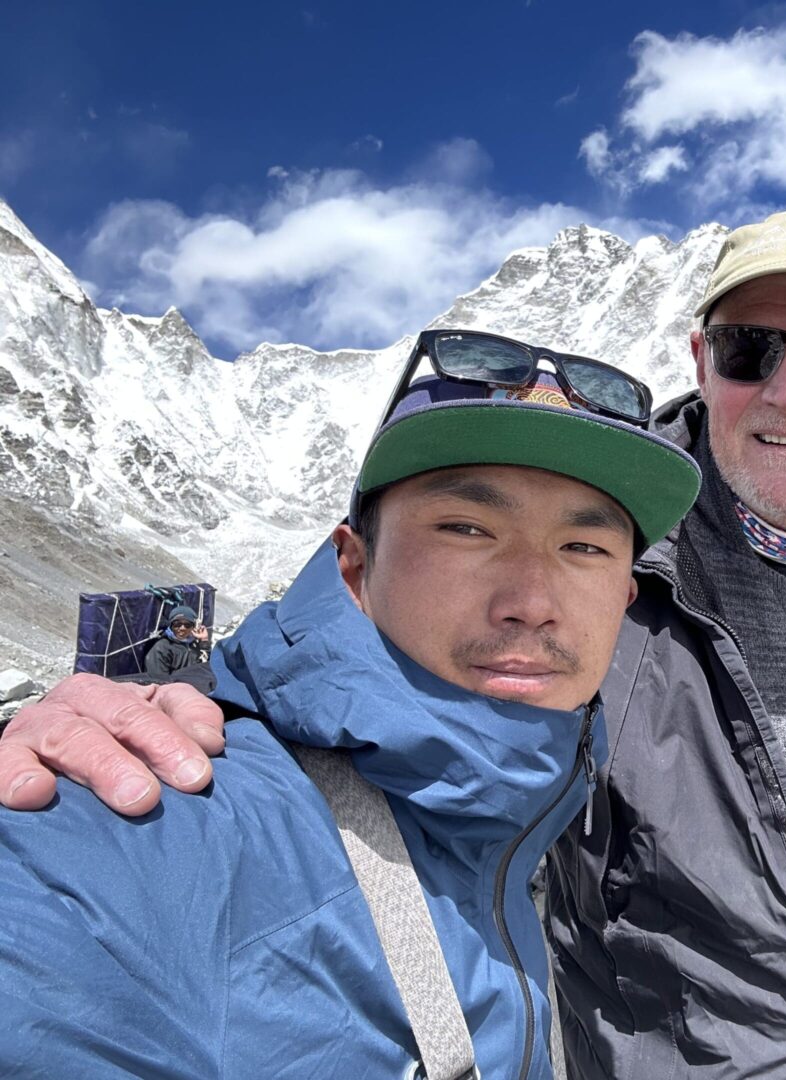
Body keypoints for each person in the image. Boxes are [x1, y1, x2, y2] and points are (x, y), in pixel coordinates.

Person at [0, 212, 786, 1079]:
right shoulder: (627, 584)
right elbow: (345, 724)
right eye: (749, 351)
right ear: (703, 360)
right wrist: (145, 706)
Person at [0, 331, 703, 1079]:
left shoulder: (531, 818)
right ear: (352, 568)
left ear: (625, 598)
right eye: (467, 529)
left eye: (584, 548)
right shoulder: (150, 822)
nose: (531, 603)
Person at [142, 604, 214, 685]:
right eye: (177, 624)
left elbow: (207, 666)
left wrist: (204, 641)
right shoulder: (161, 648)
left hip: (197, 686)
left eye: (187, 625)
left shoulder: (194, 644)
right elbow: (158, 681)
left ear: (193, 627)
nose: (182, 628)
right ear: (171, 626)